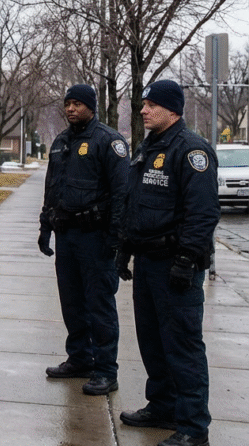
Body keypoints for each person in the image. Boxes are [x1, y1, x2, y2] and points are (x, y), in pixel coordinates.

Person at [117, 80, 218, 446]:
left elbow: (202, 213)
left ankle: (193, 427)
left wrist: (187, 260)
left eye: (151, 105)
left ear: (172, 110)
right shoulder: (149, 147)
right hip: (147, 262)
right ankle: (162, 406)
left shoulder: (192, 150)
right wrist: (125, 248)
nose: (144, 110)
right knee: (153, 341)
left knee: (183, 346)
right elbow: (135, 203)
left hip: (176, 265)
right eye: (143, 104)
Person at [38, 84, 129, 396]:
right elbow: (52, 187)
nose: (71, 109)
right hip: (67, 235)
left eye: (77, 103)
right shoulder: (61, 142)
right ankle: (79, 359)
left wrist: (115, 239)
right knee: (72, 303)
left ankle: (105, 371)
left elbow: (121, 194)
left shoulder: (109, 141)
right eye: (68, 103)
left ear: (91, 106)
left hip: (96, 237)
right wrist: (45, 226)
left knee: (99, 306)